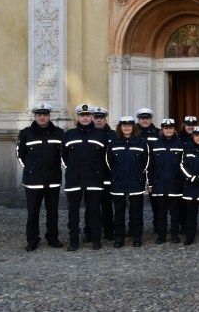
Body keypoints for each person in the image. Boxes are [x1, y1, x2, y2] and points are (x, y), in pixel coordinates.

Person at [16, 103, 64, 251]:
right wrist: (30, 170)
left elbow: (64, 154)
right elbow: (20, 154)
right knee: (33, 212)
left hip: (53, 179)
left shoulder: (59, 133)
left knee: (53, 211)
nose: (42, 118)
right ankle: (32, 240)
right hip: (33, 181)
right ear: (35, 116)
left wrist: (57, 169)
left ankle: (53, 237)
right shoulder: (26, 133)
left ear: (49, 116)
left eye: (45, 115)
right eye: (39, 115)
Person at [62, 104, 109, 251]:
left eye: (88, 115)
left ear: (92, 117)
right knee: (73, 212)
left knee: (94, 211)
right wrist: (71, 170)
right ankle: (73, 241)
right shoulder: (69, 135)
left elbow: (105, 158)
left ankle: (96, 239)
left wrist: (98, 173)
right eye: (82, 115)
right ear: (78, 117)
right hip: (74, 179)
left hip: (94, 179)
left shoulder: (101, 135)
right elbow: (64, 157)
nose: (85, 118)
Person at [108, 116, 151, 247]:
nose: (127, 128)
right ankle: (119, 238)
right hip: (118, 183)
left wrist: (141, 177)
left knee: (136, 212)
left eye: (129, 125)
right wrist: (115, 175)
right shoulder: (114, 143)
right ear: (120, 128)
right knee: (119, 213)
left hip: (135, 182)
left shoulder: (141, 143)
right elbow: (108, 162)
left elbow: (147, 162)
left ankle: (137, 237)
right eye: (124, 125)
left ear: (134, 128)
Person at [148, 118, 186, 244]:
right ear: (162, 129)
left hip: (176, 183)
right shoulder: (156, 144)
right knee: (161, 212)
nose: (168, 130)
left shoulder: (181, 144)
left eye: (170, 128)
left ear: (174, 129)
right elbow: (151, 166)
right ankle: (161, 236)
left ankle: (174, 235)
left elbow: (184, 164)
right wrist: (150, 183)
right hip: (159, 183)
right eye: (166, 128)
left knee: (175, 212)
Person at [92, 107, 115, 241]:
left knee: (107, 206)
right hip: (92, 177)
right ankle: (90, 232)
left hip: (108, 176)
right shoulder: (89, 133)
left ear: (106, 119)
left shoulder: (113, 135)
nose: (99, 120)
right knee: (91, 207)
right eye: (96, 118)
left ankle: (109, 231)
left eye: (101, 118)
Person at [136, 108, 159, 232]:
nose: (145, 120)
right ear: (138, 120)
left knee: (155, 201)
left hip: (153, 170)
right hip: (137, 170)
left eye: (147, 118)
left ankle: (157, 226)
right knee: (136, 203)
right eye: (142, 118)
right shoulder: (133, 133)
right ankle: (134, 227)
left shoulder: (157, 133)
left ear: (150, 119)